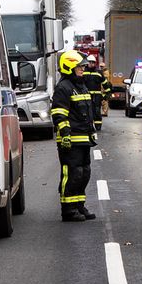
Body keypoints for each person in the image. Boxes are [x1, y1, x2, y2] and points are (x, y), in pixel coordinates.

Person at [50, 49, 97, 221]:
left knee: (84, 172)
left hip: (84, 138)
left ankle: (79, 205)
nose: (83, 69)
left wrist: (92, 130)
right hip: (70, 140)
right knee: (73, 173)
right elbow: (59, 113)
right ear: (69, 67)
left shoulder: (81, 86)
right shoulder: (64, 88)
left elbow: (88, 112)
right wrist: (65, 133)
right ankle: (68, 209)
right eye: (79, 67)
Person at [83, 55, 106, 132]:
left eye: (93, 62)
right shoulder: (83, 72)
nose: (91, 64)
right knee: (86, 110)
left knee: (96, 110)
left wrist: (106, 94)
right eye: (90, 62)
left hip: (97, 96)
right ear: (87, 63)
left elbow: (105, 83)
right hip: (86, 95)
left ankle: (98, 125)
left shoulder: (99, 73)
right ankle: (88, 125)